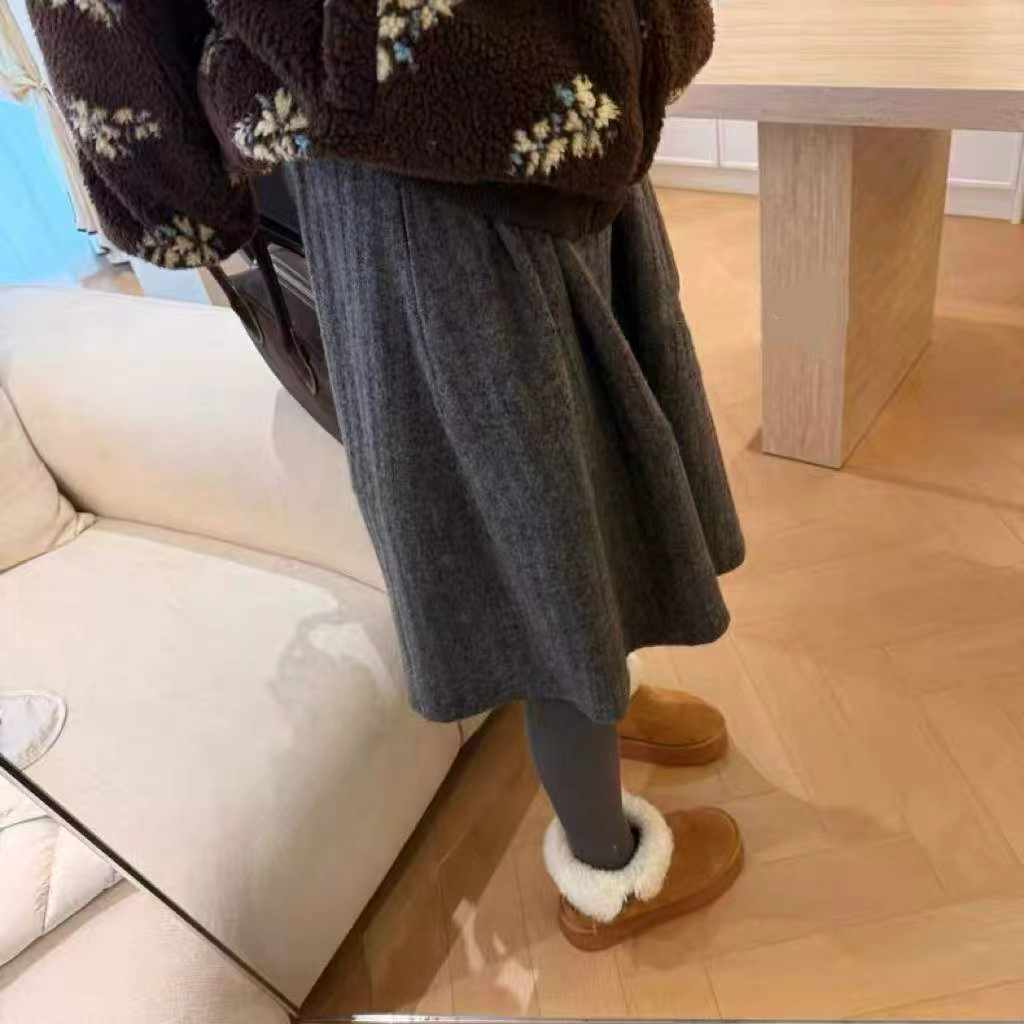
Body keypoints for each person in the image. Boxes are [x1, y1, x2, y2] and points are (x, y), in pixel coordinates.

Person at [32, 0, 746, 949]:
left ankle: (605, 696)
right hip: (409, 157)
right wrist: (182, 197)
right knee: (535, 524)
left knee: (598, 471)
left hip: (580, 103)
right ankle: (607, 870)